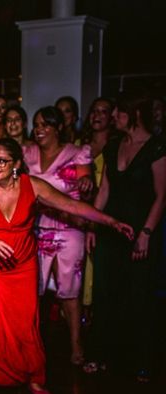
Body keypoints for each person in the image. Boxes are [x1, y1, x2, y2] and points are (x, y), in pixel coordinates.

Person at [0, 138, 133, 394]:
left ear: (16, 164)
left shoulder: (33, 186)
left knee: (26, 320)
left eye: (1, 161)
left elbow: (72, 206)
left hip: (22, 264)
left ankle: (34, 376)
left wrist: (112, 221)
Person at [84, 92, 166, 381]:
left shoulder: (156, 148)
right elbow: (104, 189)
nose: (113, 117)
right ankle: (101, 353)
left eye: (118, 112)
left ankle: (140, 359)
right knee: (106, 294)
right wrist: (92, 226)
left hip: (141, 231)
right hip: (111, 229)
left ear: (135, 114)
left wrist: (146, 233)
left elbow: (161, 196)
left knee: (138, 295)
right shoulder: (114, 144)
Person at [23, 106, 94, 366]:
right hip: (36, 228)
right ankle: (34, 346)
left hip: (69, 228)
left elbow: (86, 187)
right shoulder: (26, 152)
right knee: (34, 290)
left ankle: (76, 346)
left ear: (58, 128)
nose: (39, 130)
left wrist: (86, 184)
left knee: (70, 291)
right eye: (36, 124)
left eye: (45, 125)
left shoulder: (77, 153)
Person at [79, 97, 116, 313]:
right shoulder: (77, 145)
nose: (97, 115)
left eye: (104, 111)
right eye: (94, 110)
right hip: (78, 210)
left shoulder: (116, 145)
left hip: (105, 211)